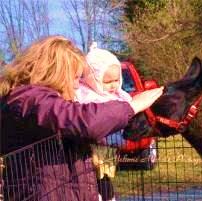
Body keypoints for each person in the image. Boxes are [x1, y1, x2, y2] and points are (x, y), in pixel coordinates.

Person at [0, 35, 163, 201]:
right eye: (76, 77)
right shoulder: (30, 99)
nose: (78, 85)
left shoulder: (41, 99)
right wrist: (131, 106)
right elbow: (83, 120)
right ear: (56, 73)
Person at [75, 43, 131, 201]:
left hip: (108, 148)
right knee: (94, 176)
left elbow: (129, 103)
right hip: (93, 147)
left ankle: (107, 196)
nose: (113, 85)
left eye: (116, 80)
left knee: (105, 175)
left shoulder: (117, 93)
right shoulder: (87, 95)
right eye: (107, 82)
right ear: (93, 79)